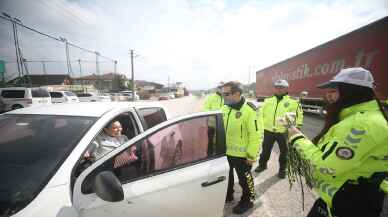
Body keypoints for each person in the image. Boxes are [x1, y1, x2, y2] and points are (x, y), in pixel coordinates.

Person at [284, 67, 388, 217]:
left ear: (351, 91)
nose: (328, 96)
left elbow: (327, 167)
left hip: (352, 202)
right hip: (340, 196)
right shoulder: (358, 118)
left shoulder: (361, 124)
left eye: (333, 91)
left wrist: (296, 137)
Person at [222, 81, 263, 214]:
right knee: (227, 176)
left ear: (237, 93)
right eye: (223, 93)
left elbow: (256, 136)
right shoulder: (225, 108)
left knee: (245, 179)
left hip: (243, 155)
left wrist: (252, 156)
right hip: (226, 152)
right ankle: (228, 195)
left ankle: (248, 200)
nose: (224, 96)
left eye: (226, 94)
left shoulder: (250, 110)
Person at [254, 79, 303, 178]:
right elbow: (260, 114)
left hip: (284, 132)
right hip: (268, 131)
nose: (279, 89)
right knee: (265, 150)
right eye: (277, 87)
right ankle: (262, 165)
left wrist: (297, 128)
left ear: (286, 88)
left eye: (281, 87)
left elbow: (299, 116)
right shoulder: (268, 100)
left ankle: (282, 170)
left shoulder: (293, 102)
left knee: (284, 153)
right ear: (274, 88)